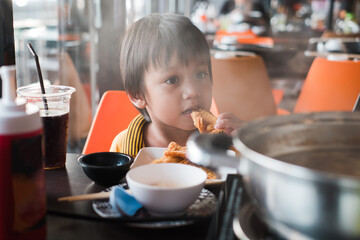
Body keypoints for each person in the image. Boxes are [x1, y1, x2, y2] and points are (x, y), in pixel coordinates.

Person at [110, 13, 244, 157]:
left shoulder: (228, 143)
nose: (192, 91)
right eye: (172, 80)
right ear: (137, 94)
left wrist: (254, 143)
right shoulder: (123, 148)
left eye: (200, 75)